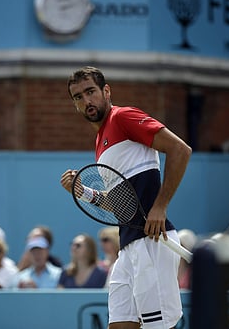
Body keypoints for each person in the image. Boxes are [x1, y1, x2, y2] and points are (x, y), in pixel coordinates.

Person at [60, 66, 192, 328]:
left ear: (106, 91)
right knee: (119, 324)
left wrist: (160, 207)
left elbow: (180, 149)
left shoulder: (123, 117)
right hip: (129, 247)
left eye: (90, 92)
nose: (86, 101)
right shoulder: (101, 141)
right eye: (78, 97)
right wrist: (82, 192)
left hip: (153, 242)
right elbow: (120, 204)